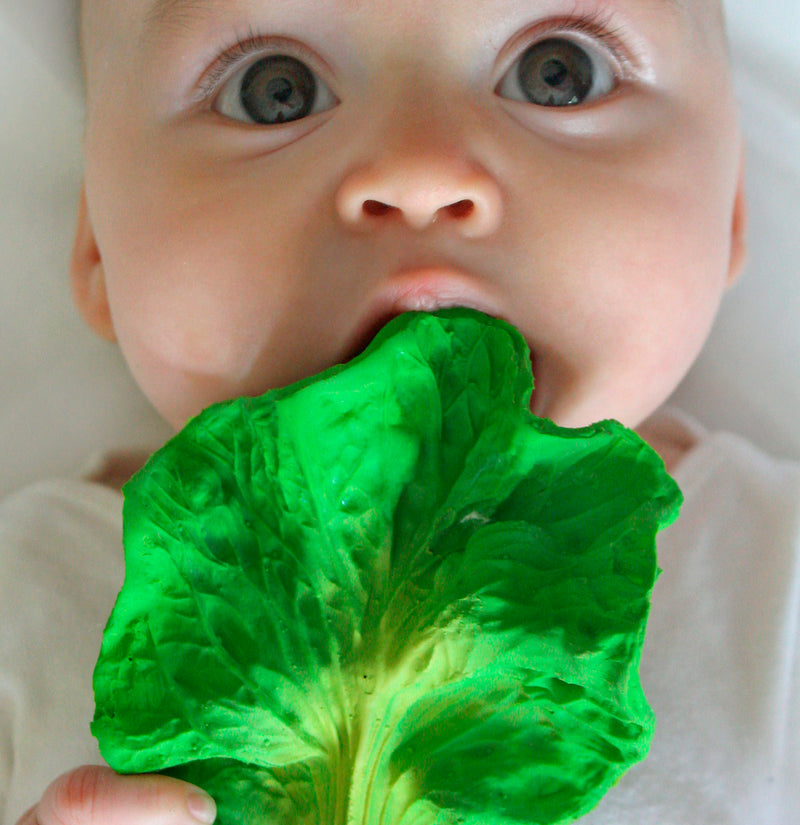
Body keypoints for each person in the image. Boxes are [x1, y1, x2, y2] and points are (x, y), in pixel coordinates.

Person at [1, 0, 797, 823]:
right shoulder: (23, 597)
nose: (420, 172)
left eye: (558, 75)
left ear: (731, 200)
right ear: (96, 234)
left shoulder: (777, 580)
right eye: (274, 90)